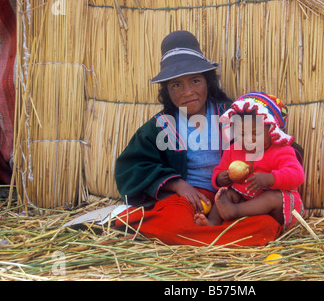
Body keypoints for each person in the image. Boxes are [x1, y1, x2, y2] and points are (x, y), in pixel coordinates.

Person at [113, 31, 293, 246]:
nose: (188, 92)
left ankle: (185, 236)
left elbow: (275, 141)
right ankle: (212, 236)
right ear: (167, 91)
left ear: (208, 82)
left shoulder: (232, 114)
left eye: (195, 81)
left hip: (236, 198)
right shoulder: (162, 125)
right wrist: (178, 185)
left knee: (266, 225)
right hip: (188, 200)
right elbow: (131, 166)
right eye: (176, 85)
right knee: (174, 224)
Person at [194, 92, 305, 228]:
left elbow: (297, 175)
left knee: (272, 198)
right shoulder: (234, 149)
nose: (248, 139)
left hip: (275, 210)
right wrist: (220, 178)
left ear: (271, 130)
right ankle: (212, 223)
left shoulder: (281, 150)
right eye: (242, 133)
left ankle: (234, 212)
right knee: (225, 194)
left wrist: (271, 178)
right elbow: (219, 169)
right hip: (246, 199)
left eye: (255, 133)